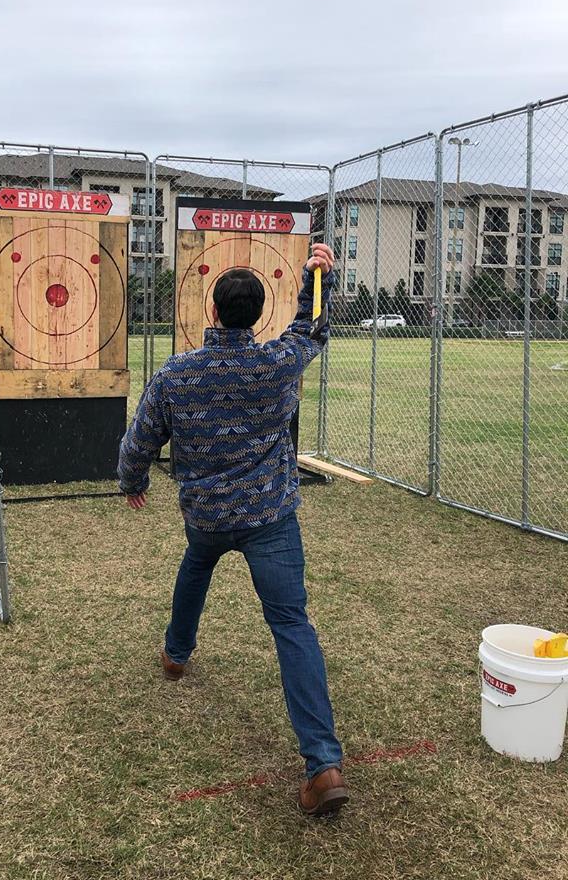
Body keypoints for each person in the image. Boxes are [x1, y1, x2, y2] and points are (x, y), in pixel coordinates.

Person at [117, 243, 348, 816]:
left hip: (208, 516)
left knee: (196, 565)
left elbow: (140, 439)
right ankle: (322, 764)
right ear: (255, 315)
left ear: (214, 314)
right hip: (271, 518)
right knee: (291, 624)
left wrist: (132, 481)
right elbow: (311, 331)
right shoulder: (277, 363)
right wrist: (316, 277)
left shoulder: (177, 373)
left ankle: (176, 652)